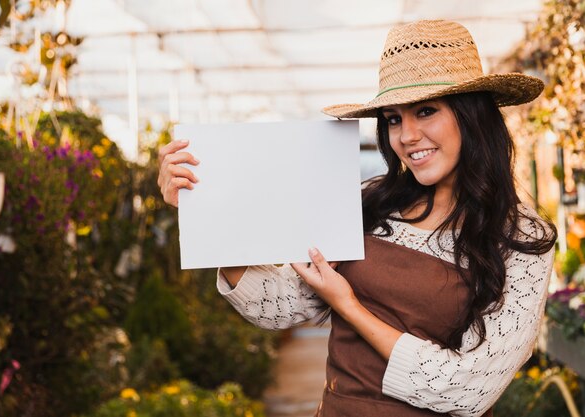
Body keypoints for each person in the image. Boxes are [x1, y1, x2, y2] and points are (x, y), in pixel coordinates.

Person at [157, 19, 557, 417]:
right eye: (394, 118)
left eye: (426, 111)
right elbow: (279, 306)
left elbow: (469, 391)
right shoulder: (371, 202)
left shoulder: (520, 237)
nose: (407, 135)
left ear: (472, 117)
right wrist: (207, 207)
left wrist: (348, 306)